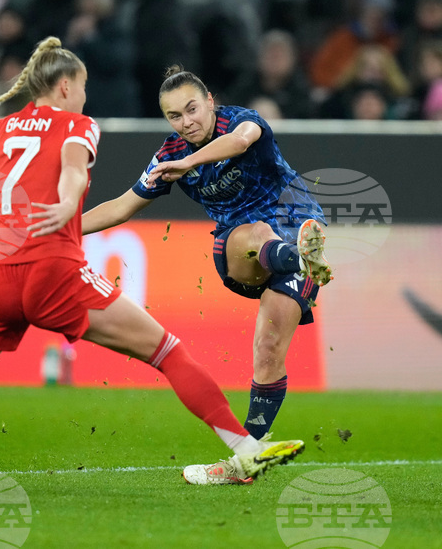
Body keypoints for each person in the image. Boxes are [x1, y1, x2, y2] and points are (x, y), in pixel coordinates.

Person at [0, 38, 304, 498]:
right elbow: (73, 169)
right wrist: (65, 204)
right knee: (168, 352)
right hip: (53, 271)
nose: (84, 95)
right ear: (64, 87)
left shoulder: (2, 128)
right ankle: (244, 448)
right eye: (81, 86)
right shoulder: (79, 126)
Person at [81, 66, 333, 484]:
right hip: (242, 252)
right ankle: (298, 258)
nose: (187, 122)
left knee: (269, 349)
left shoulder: (243, 121)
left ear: (211, 101)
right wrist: (62, 228)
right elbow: (123, 206)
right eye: (175, 116)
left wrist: (189, 161)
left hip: (299, 222)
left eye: (192, 109)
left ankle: (245, 461)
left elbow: (238, 143)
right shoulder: (168, 155)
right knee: (256, 233)